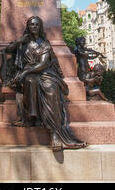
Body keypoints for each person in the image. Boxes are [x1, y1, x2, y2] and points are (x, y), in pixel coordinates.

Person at [5, 16, 86, 151]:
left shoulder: (45, 44)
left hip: (44, 72)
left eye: (37, 24)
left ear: (40, 26)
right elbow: (8, 50)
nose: (34, 26)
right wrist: (20, 41)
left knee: (51, 87)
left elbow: (43, 64)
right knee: (30, 81)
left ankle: (54, 133)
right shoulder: (23, 42)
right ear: (28, 27)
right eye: (31, 24)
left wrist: (25, 73)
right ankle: (33, 114)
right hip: (29, 74)